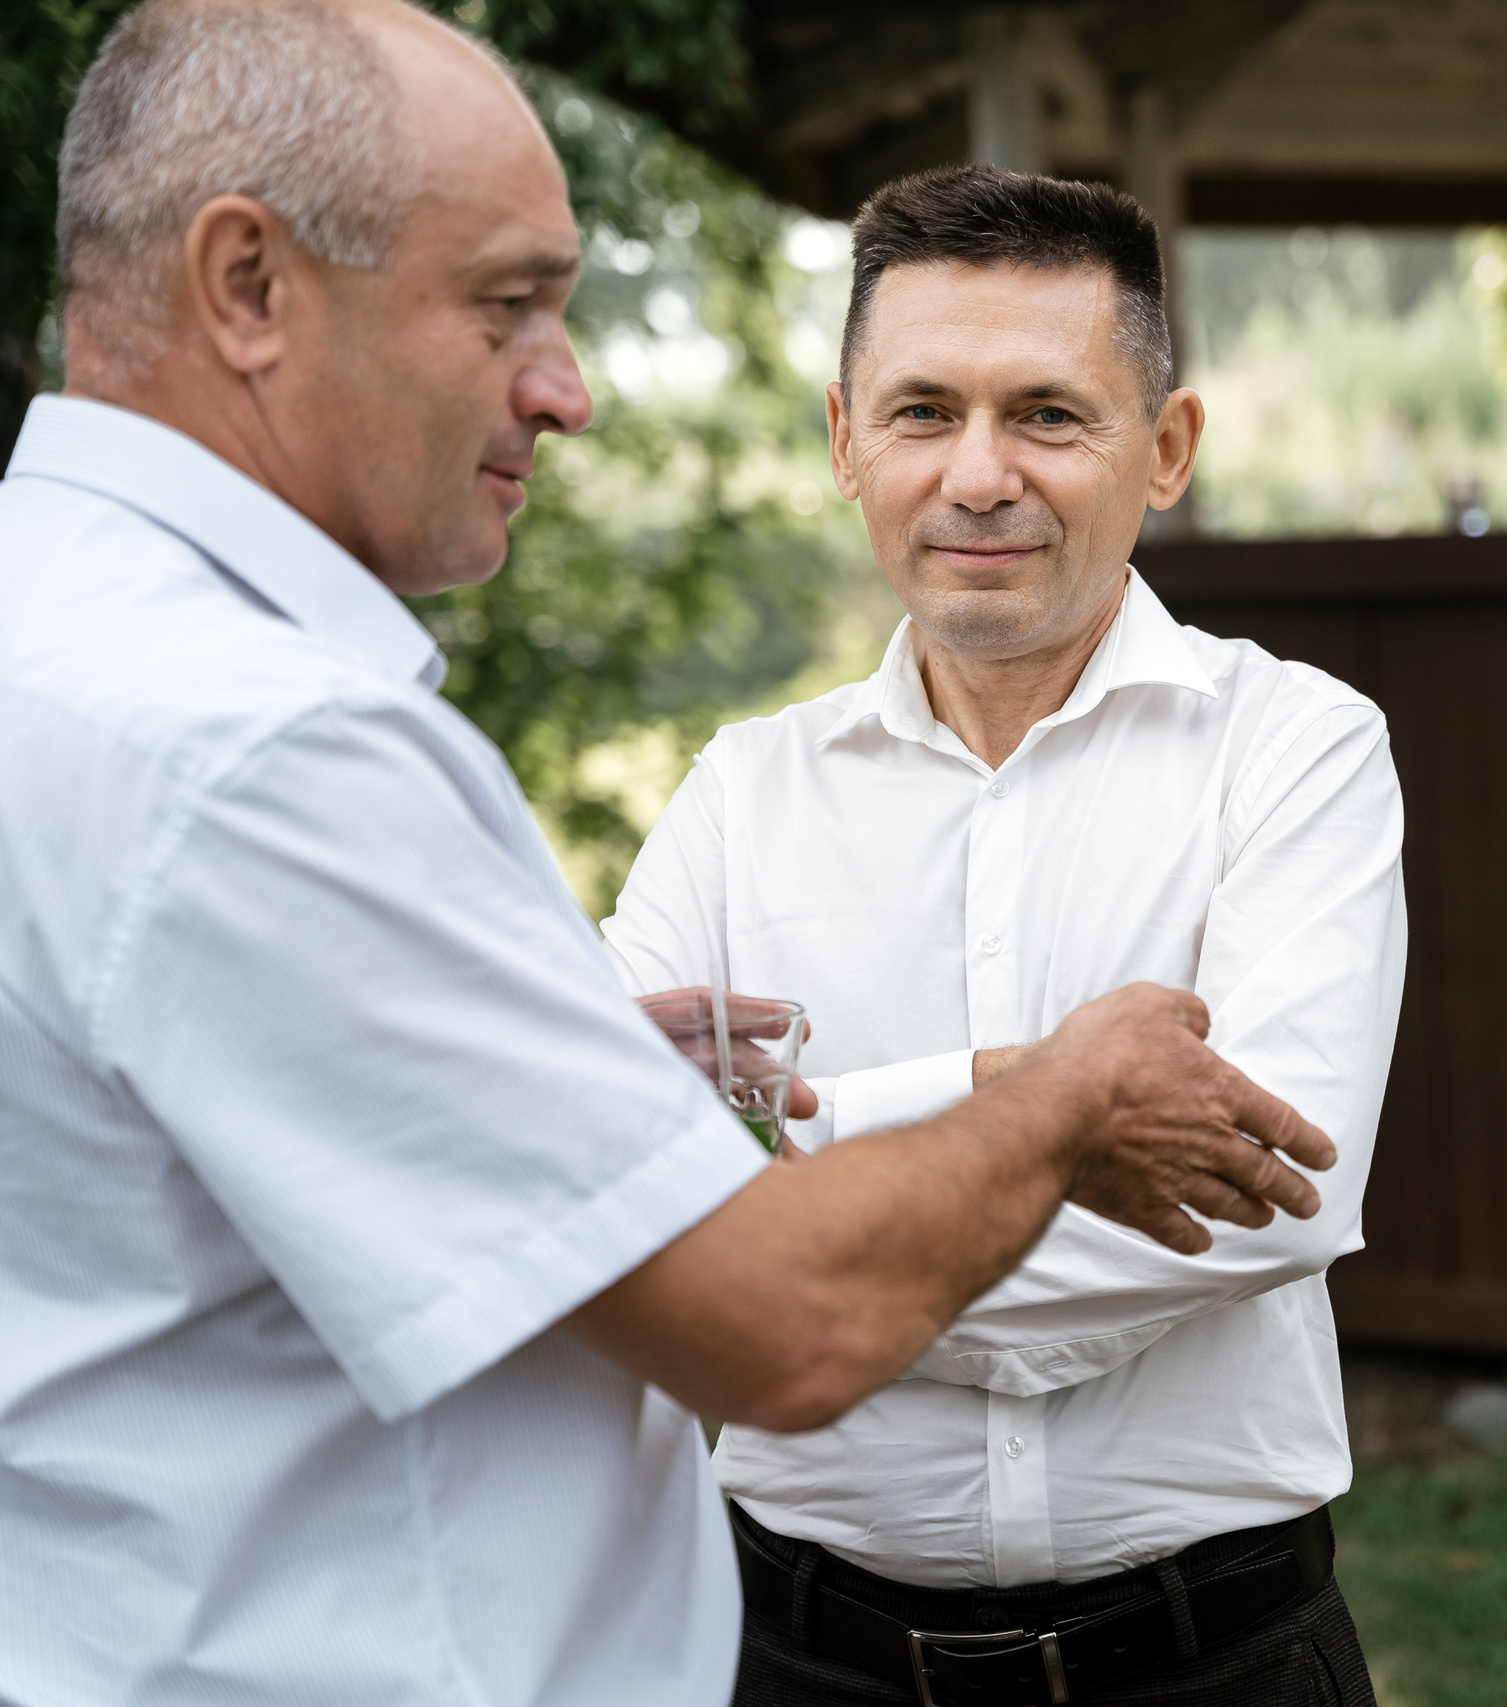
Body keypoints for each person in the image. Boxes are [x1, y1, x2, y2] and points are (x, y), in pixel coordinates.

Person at [0, 7, 1336, 1706]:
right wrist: (1067, 1097)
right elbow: (783, 1323)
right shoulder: (259, 748)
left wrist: (628, 1115)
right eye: (507, 307)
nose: (565, 388)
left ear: (1166, 444)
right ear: (249, 286)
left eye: (1048, 415)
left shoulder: (43, 632)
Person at [603, 168, 1407, 1706]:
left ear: (1164, 449)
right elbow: (616, 1158)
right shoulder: (740, 795)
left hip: (1212, 1667)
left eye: (1047, 413)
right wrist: (1031, 1105)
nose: (979, 476)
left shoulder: (1297, 749)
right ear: (844, 440)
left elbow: (1274, 1202)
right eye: (921, 413)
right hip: (793, 1667)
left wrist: (800, 1257)